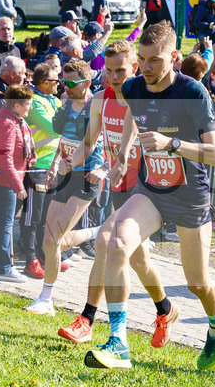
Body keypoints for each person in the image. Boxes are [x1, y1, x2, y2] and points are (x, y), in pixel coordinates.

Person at [88, 23, 215, 371]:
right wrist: (124, 152)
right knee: (116, 242)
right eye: (142, 59)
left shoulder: (193, 92)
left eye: (155, 60)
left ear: (174, 58)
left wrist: (172, 144)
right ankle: (118, 342)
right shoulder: (134, 86)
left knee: (197, 283)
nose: (147, 67)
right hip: (151, 189)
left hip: (190, 197)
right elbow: (134, 118)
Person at [56, 40, 180, 345]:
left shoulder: (148, 100)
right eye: (108, 70)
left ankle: (87, 319)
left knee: (105, 243)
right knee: (137, 261)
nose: (113, 76)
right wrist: (68, 163)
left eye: (120, 70)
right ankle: (165, 309)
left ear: (135, 68)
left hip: (147, 192)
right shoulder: (100, 99)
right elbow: (88, 142)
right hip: (119, 187)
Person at [23, 59, 108, 315]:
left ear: (86, 83)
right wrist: (55, 164)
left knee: (54, 239)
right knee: (50, 240)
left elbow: (105, 141)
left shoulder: (97, 105)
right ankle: (95, 233)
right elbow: (65, 137)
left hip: (87, 177)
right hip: (65, 174)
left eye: (71, 83)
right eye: (63, 82)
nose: (66, 87)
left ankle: (46, 298)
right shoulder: (66, 103)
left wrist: (102, 167)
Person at [0, 83, 35, 283]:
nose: (30, 107)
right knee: (4, 225)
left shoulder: (12, 119)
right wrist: (18, 186)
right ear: (17, 106)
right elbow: (5, 159)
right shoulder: (7, 123)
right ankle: (4, 268)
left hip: (0, 179)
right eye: (28, 104)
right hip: (3, 181)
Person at [22, 63, 63, 278]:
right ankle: (29, 258)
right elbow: (56, 128)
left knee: (48, 216)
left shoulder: (55, 100)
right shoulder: (35, 102)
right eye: (56, 80)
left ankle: (43, 255)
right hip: (36, 166)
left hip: (53, 165)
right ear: (45, 83)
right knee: (32, 216)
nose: (60, 84)